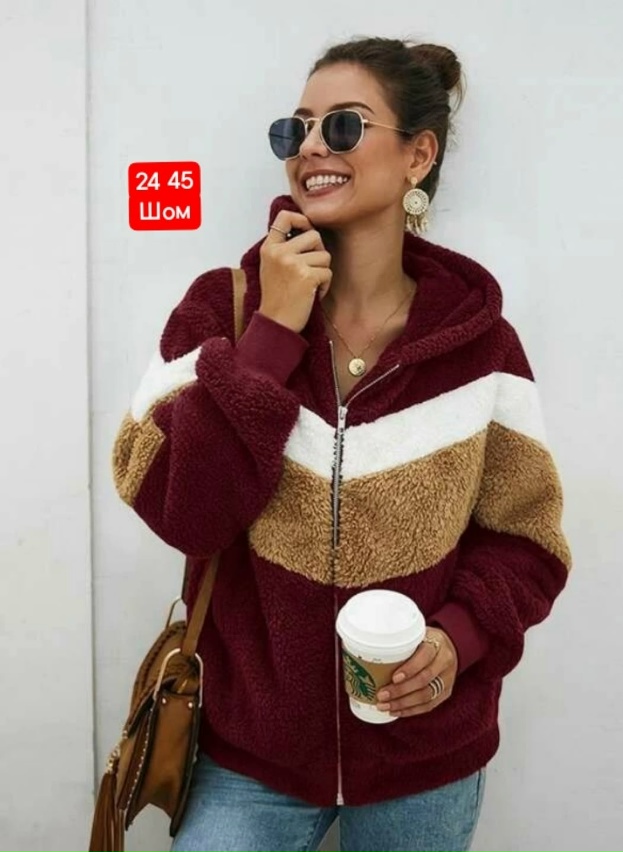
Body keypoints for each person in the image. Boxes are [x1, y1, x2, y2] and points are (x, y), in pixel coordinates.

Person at [112, 36, 571, 852]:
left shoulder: (481, 347)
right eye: (295, 130)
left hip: (425, 763)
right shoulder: (221, 309)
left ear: (418, 155)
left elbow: (527, 540)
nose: (312, 147)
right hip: (247, 761)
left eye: (346, 126)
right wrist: (270, 335)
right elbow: (183, 512)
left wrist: (457, 640)